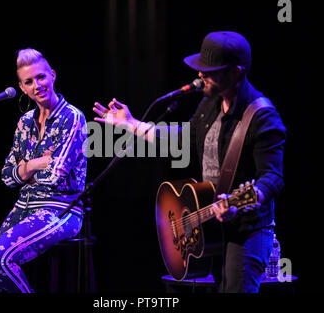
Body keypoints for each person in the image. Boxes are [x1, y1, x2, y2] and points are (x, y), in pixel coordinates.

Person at [93, 31, 286, 293]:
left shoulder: (262, 116)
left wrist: (241, 204)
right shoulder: (209, 105)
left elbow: (273, 178)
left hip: (247, 230)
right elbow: (179, 140)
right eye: (201, 69)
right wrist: (131, 124)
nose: (200, 76)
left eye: (210, 71)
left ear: (236, 73)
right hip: (212, 226)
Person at [0, 48, 87, 293]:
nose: (37, 85)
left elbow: (55, 176)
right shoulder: (24, 122)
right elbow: (6, 176)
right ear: (22, 88)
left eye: (41, 77)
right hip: (24, 207)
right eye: (29, 81)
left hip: (60, 209)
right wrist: (35, 164)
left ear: (53, 75)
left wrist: (24, 170)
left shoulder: (72, 117)